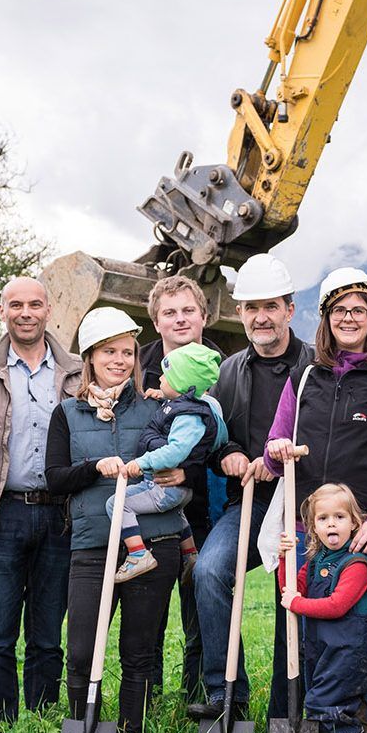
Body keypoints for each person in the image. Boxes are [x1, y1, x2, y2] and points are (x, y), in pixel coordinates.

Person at [265, 267, 367, 733]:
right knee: (311, 639)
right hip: (309, 534)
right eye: (339, 310)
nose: (348, 318)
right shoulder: (303, 376)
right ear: (326, 319)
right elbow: (273, 448)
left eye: (359, 310)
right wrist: (277, 450)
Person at [46, 307, 190, 733]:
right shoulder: (67, 413)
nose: (120, 360)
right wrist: (93, 468)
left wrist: (184, 474)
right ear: (89, 356)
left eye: (127, 351)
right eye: (109, 351)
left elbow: (191, 450)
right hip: (92, 544)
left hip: (153, 542)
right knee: (82, 651)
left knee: (139, 653)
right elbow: (55, 478)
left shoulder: (155, 408)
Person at [0, 276, 82, 728]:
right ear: (2, 310)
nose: (25, 313)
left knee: (48, 634)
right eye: (15, 305)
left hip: (60, 515)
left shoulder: (76, 373)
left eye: (34, 304)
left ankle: (43, 720)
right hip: (0, 515)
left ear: (49, 310)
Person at [190, 255, 312, 723]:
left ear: (289, 309)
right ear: (239, 313)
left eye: (270, 306)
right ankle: (227, 693)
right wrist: (231, 455)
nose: (261, 316)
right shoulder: (228, 372)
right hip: (253, 502)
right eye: (250, 307)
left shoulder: (315, 366)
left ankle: (290, 707)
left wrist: (281, 459)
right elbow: (216, 439)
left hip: (304, 505)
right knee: (210, 571)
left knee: (295, 595)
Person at [139, 274, 220, 702]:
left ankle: (199, 697)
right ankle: (146, 700)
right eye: (169, 312)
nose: (180, 319)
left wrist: (188, 470)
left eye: (189, 310)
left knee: (200, 610)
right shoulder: (138, 368)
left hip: (202, 509)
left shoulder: (220, 369)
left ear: (204, 316)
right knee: (147, 612)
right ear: (157, 321)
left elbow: (230, 437)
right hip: (151, 508)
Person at [276, 484, 367, 733]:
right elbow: (291, 590)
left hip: (348, 655)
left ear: (355, 523)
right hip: (322, 652)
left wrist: (296, 604)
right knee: (342, 708)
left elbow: (336, 605)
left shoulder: (356, 564)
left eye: (339, 517)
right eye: (323, 518)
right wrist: (285, 558)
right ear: (312, 527)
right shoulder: (315, 561)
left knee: (323, 705)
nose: (331, 523)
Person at [109, 341, 225, 581]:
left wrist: (142, 463)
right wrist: (164, 396)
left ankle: (138, 554)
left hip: (165, 488)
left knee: (117, 503)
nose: (160, 378)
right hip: (180, 492)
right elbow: (185, 401)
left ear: (183, 384)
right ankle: (191, 554)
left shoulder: (189, 418)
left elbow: (175, 452)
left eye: (167, 375)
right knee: (177, 514)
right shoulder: (203, 406)